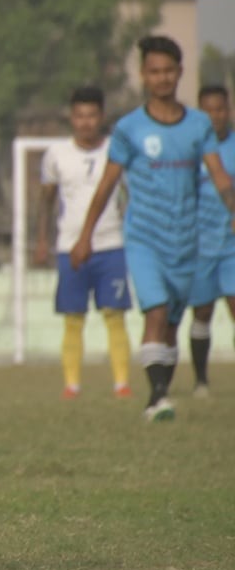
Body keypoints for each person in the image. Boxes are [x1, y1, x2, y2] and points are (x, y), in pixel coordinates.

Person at [72, 36, 235, 422]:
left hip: (186, 239)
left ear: (179, 73)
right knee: (155, 312)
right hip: (145, 238)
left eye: (168, 71)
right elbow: (108, 184)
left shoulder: (197, 125)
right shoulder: (129, 129)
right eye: (154, 71)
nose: (162, 78)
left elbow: (219, 176)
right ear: (143, 76)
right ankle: (158, 396)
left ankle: (161, 388)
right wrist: (85, 236)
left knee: (172, 323)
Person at [34, 85, 133, 400]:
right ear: (71, 118)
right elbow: (47, 201)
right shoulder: (57, 155)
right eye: (80, 116)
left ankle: (121, 384)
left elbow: (130, 196)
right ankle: (72, 386)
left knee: (114, 314)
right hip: (69, 247)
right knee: (73, 317)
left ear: (101, 117)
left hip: (111, 244)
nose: (86, 122)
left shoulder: (115, 152)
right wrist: (41, 240)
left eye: (92, 116)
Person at [183, 83, 235, 395]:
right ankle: (200, 380)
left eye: (221, 109)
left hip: (231, 244)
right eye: (208, 110)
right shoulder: (189, 148)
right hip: (199, 244)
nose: (215, 115)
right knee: (202, 311)